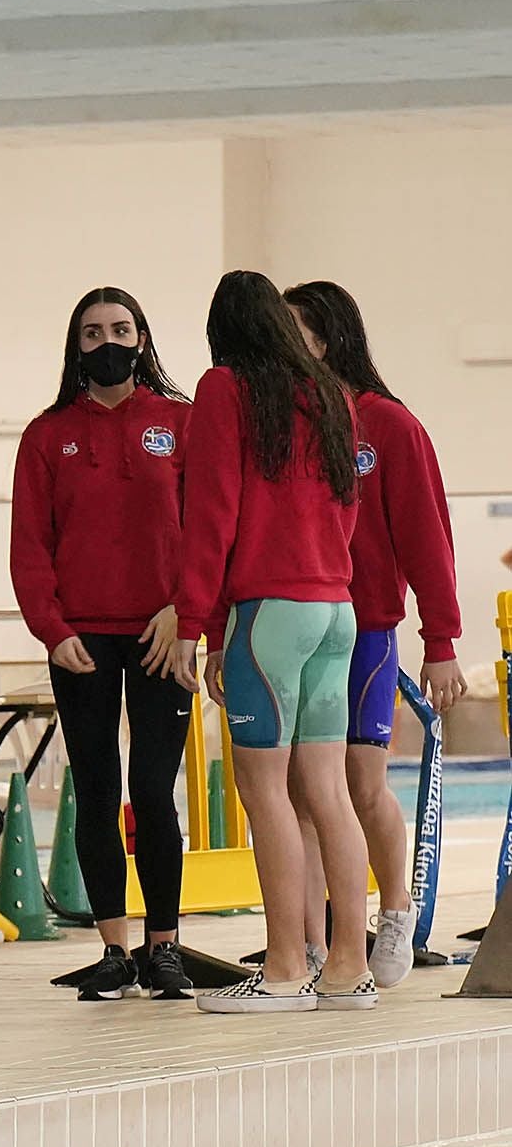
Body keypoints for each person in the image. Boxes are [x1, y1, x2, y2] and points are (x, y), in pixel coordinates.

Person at [171, 270, 370, 1015]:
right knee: (327, 791)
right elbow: (345, 508)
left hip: (271, 613)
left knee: (265, 795)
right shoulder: (331, 395)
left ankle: (286, 965)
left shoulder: (227, 389)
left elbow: (213, 511)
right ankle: (347, 966)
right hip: (334, 607)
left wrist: (196, 622)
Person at [9, 288, 194, 1001]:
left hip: (162, 636)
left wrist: (187, 611)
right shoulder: (46, 435)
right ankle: (115, 949)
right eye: (92, 332)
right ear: (74, 346)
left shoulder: (181, 424)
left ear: (143, 338)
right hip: (82, 639)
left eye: (120, 329)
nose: (107, 341)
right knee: (96, 790)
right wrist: (52, 630)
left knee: (152, 789)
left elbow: (209, 529)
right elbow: (31, 545)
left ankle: (165, 947)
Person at [283, 280, 467, 988]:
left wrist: (442, 638)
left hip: (367, 630)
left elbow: (428, 538)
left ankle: (394, 910)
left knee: (360, 786)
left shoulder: (388, 425)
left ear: (325, 339)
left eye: (294, 331)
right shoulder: (292, 420)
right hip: (296, 626)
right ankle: (312, 938)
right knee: (299, 793)